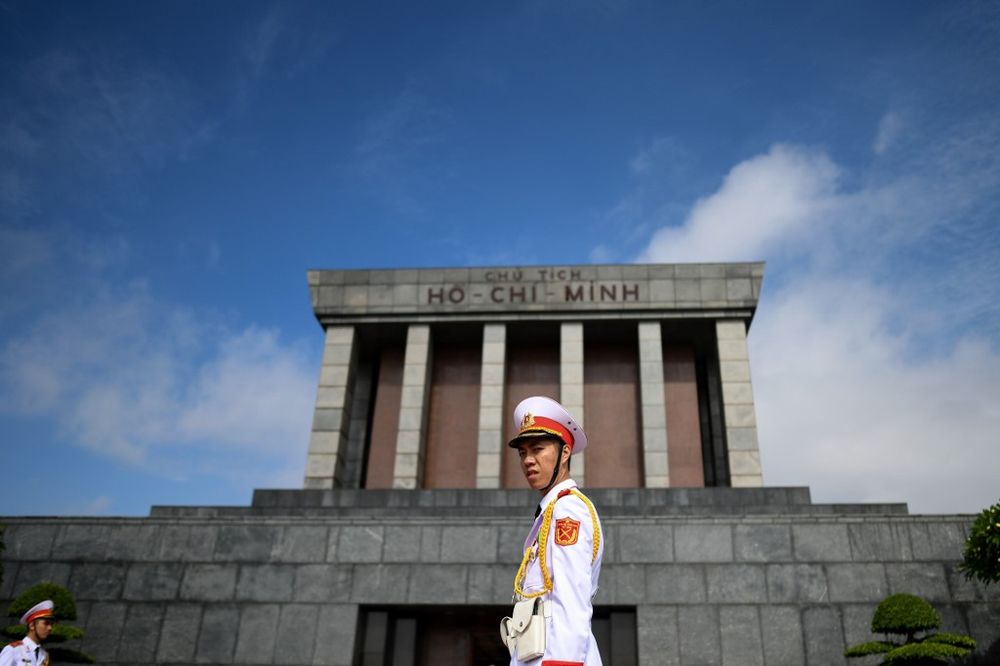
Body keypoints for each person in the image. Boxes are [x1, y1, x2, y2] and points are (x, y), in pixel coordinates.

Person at [503, 396, 604, 666]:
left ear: (565, 453)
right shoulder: (552, 510)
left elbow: (571, 599)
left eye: (537, 449)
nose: (528, 460)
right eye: (522, 453)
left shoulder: (568, 509)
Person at [0, 600, 54, 666]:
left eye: (51, 624)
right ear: (32, 626)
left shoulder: (44, 654)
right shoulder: (13, 650)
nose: (50, 628)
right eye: (46, 623)